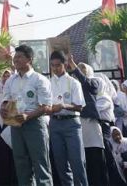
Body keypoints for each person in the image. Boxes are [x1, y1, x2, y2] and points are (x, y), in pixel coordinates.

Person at [0, 44, 52, 186]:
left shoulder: (40, 79)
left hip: (35, 125)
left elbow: (46, 107)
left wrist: (27, 116)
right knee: (21, 165)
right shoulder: (11, 80)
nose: (15, 60)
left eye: (19, 57)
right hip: (16, 126)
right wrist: (3, 109)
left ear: (29, 59)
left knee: (40, 163)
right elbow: (5, 101)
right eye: (15, 57)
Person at [48, 51, 88, 186]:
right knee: (61, 163)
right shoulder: (47, 83)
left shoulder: (73, 82)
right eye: (52, 65)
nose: (55, 68)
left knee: (77, 162)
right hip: (54, 124)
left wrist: (64, 106)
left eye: (58, 65)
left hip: (71, 124)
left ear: (64, 64)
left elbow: (80, 107)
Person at [68, 58, 110, 186]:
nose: (80, 71)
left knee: (95, 155)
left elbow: (89, 86)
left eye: (82, 69)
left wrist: (75, 68)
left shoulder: (94, 81)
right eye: (78, 69)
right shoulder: (73, 85)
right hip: (77, 122)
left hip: (90, 123)